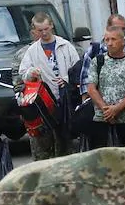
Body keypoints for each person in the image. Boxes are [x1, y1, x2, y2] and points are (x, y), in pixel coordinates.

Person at [17, 11, 81, 160]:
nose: (44, 33)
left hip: (65, 100)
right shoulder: (33, 51)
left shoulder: (65, 46)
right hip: (45, 101)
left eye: (46, 29)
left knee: (67, 141)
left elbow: (78, 69)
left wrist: (66, 79)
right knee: (45, 141)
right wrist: (31, 73)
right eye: (40, 30)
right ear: (34, 30)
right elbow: (23, 72)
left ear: (52, 25)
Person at [85, 27, 125, 148]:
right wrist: (106, 110)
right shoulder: (98, 61)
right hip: (101, 120)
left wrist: (117, 108)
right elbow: (91, 88)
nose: (109, 43)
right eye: (106, 39)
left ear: (123, 41)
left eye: (113, 39)